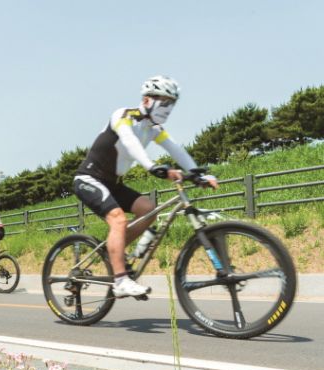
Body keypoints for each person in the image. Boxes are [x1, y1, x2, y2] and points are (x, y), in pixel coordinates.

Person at [73, 75, 218, 298]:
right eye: (165, 101)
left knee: (149, 210)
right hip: (89, 179)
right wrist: (151, 166)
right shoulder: (123, 116)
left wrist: (199, 173)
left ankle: (114, 251)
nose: (168, 108)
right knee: (118, 219)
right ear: (148, 100)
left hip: (113, 183)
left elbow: (175, 148)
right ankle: (120, 280)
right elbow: (130, 142)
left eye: (172, 103)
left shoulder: (154, 128)